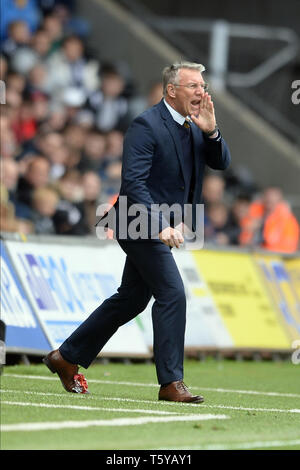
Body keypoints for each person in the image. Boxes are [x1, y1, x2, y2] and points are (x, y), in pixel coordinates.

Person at [43, 61, 231, 402]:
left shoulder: (194, 126)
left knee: (130, 300)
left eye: (202, 86)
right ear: (172, 90)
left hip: (165, 226)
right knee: (172, 293)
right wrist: (159, 226)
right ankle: (171, 383)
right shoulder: (146, 124)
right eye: (193, 86)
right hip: (137, 222)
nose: (201, 92)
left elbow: (221, 163)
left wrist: (212, 132)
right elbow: (133, 184)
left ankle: (66, 357)